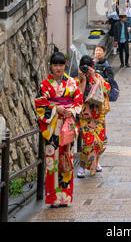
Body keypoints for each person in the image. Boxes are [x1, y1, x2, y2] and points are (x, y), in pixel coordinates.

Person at [35, 52, 83, 207]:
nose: (58, 68)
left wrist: (73, 111)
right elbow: (40, 105)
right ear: (51, 66)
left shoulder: (72, 83)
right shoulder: (45, 85)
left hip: (67, 125)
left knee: (67, 159)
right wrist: (56, 108)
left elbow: (78, 100)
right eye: (55, 65)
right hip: (53, 127)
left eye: (61, 65)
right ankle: (52, 197)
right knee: (52, 161)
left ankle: (65, 198)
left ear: (65, 65)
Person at [76, 55, 111, 178]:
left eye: (89, 66)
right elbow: (78, 98)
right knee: (89, 141)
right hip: (85, 116)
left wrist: (93, 78)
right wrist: (84, 81)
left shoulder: (98, 77)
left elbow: (107, 89)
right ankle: (82, 166)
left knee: (99, 142)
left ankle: (95, 162)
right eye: (84, 66)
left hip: (98, 116)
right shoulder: (77, 80)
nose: (86, 69)